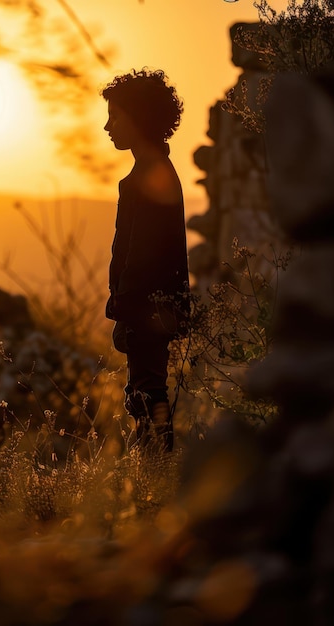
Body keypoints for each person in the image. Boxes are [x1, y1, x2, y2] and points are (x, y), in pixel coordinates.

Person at [102, 68, 189, 453]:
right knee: (144, 395)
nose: (107, 126)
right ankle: (152, 477)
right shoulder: (150, 172)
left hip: (147, 310)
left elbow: (143, 255)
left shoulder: (152, 176)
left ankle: (155, 479)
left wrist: (124, 305)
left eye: (115, 116)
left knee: (148, 396)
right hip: (147, 309)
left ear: (138, 119)